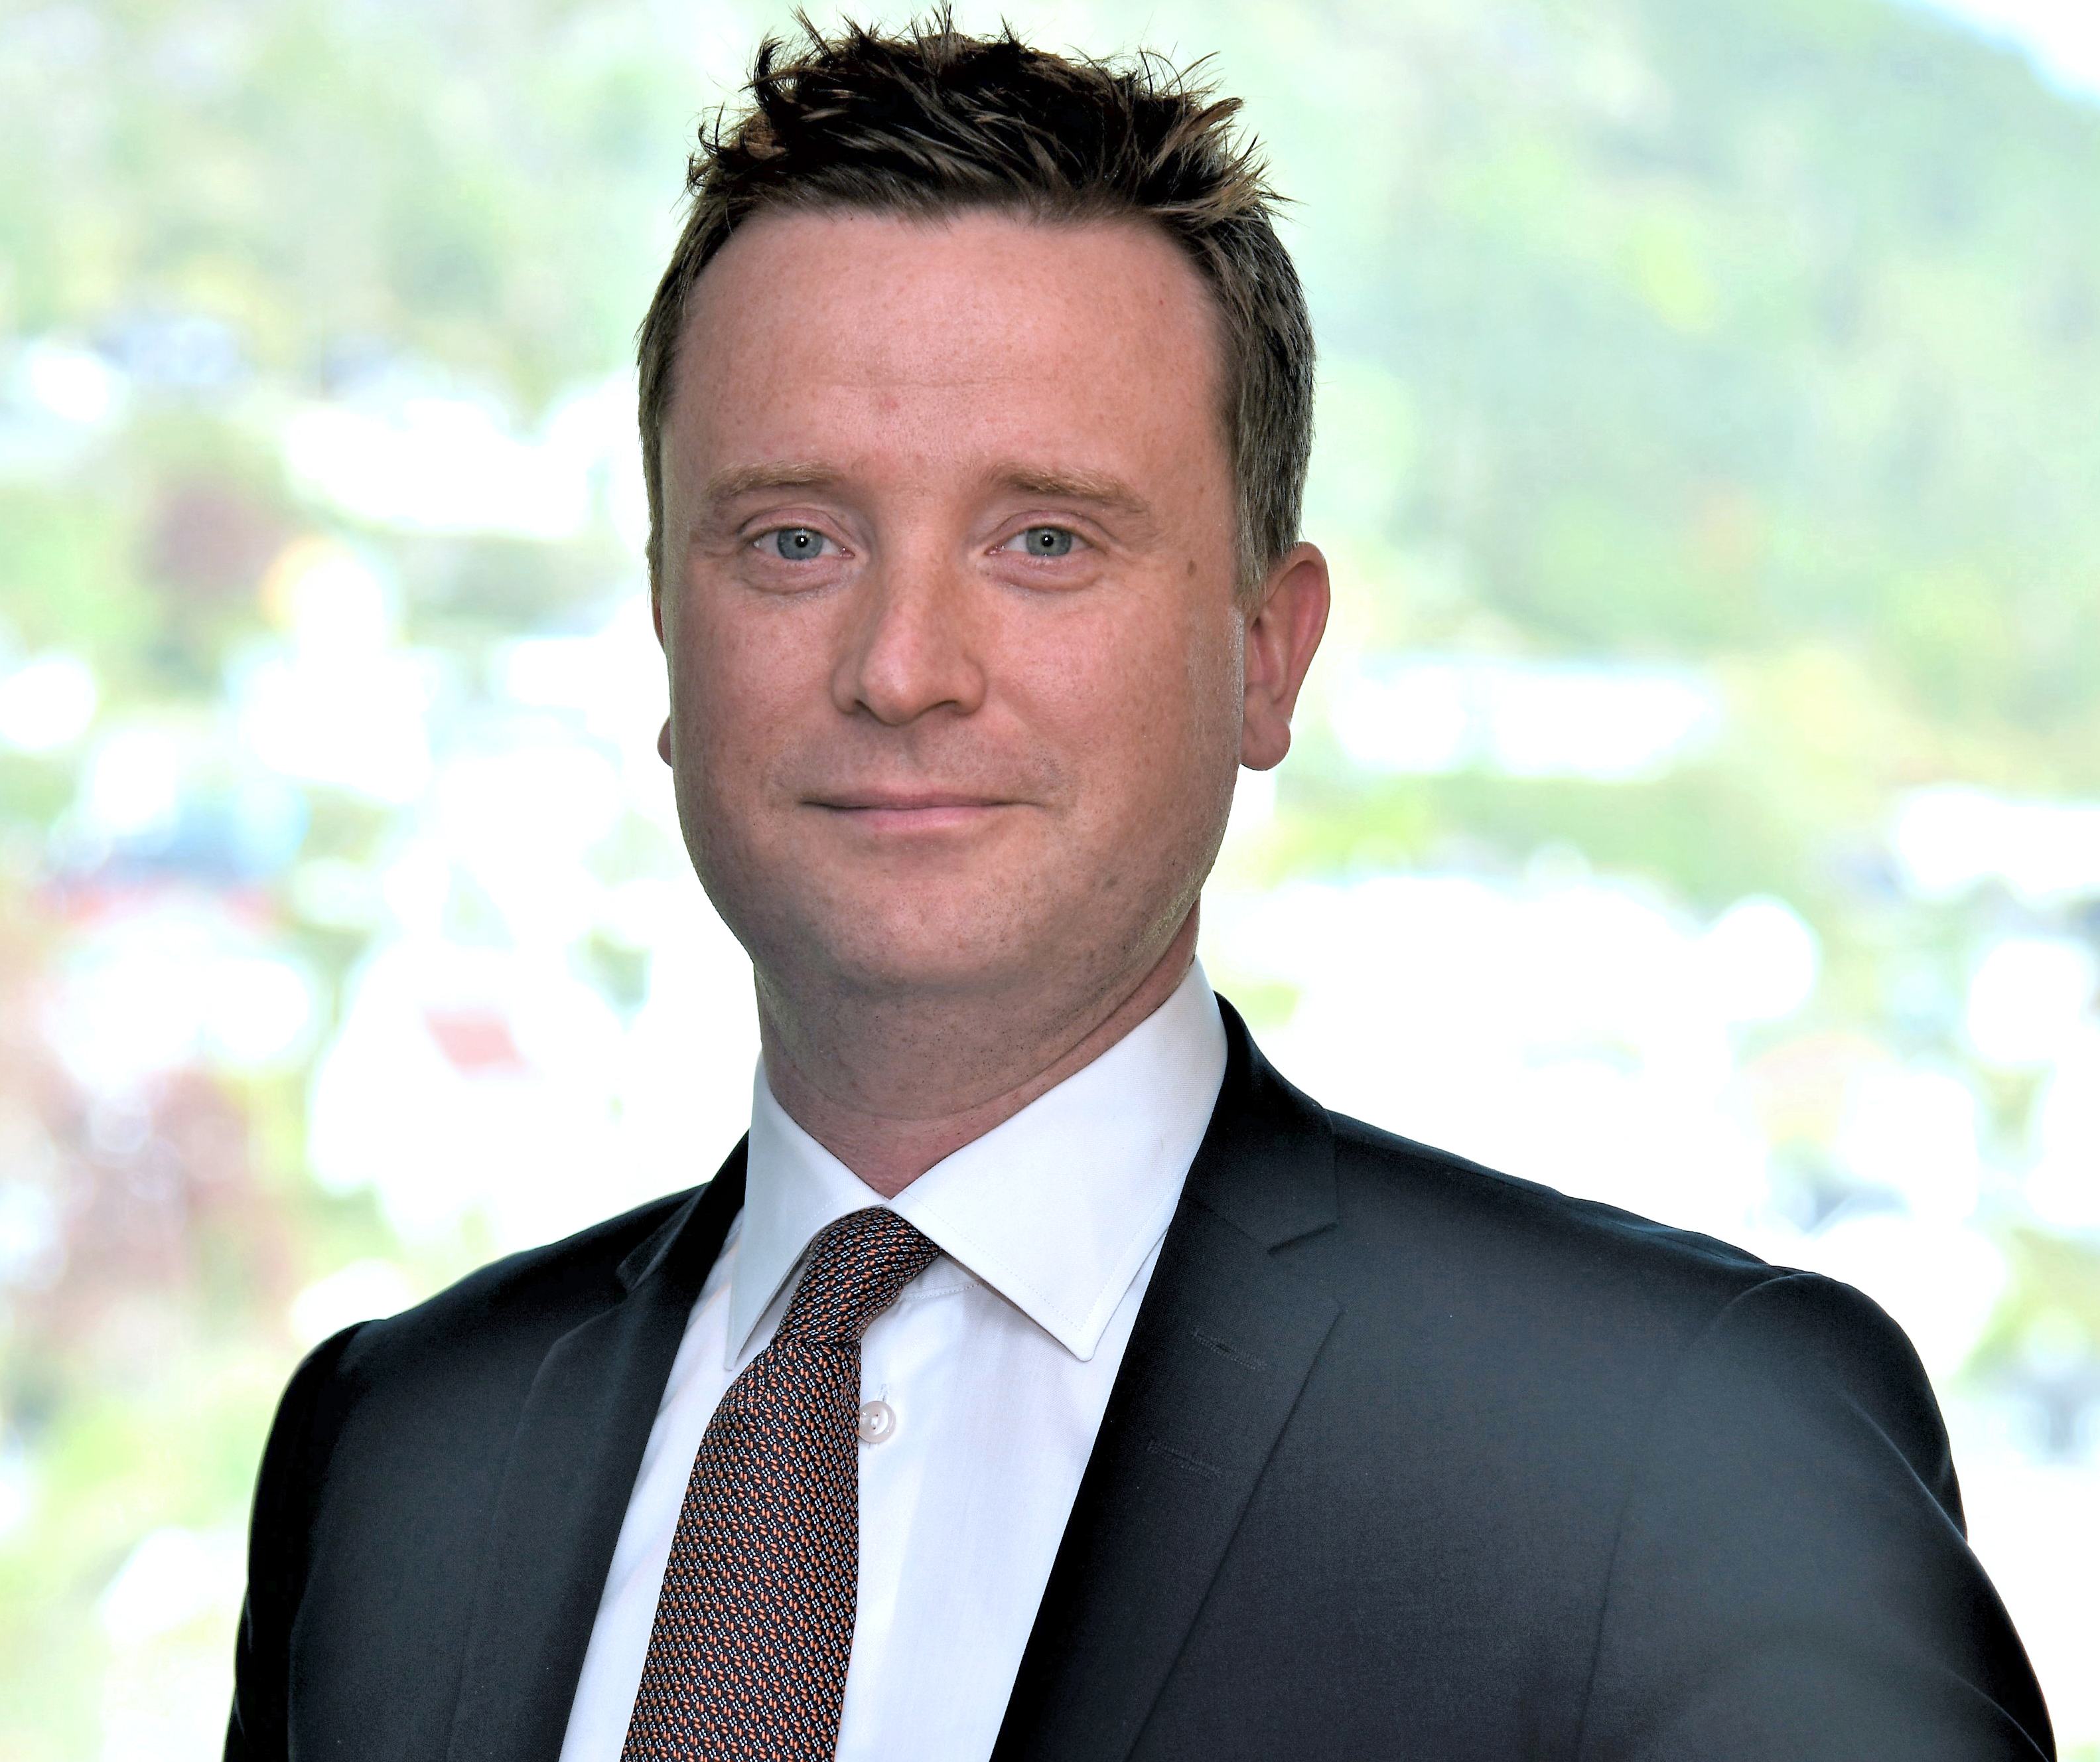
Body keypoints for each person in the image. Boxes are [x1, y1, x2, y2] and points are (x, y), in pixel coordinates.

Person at [224, 16, 2054, 1761]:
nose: (903, 666)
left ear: (1267, 652)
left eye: (1044, 541)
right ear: (663, 632)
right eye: (793, 539)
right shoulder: (397, 1457)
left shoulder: (1682, 1455)